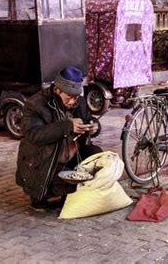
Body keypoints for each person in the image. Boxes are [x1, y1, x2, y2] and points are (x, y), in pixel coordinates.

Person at [16, 66, 103, 211]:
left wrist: (94, 126)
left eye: (76, 96)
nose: (73, 101)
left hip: (70, 153)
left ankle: (68, 192)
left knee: (95, 153)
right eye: (69, 97)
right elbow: (34, 134)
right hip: (43, 159)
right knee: (47, 191)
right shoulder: (35, 104)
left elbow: (89, 119)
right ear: (57, 90)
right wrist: (67, 126)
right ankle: (41, 195)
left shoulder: (78, 102)